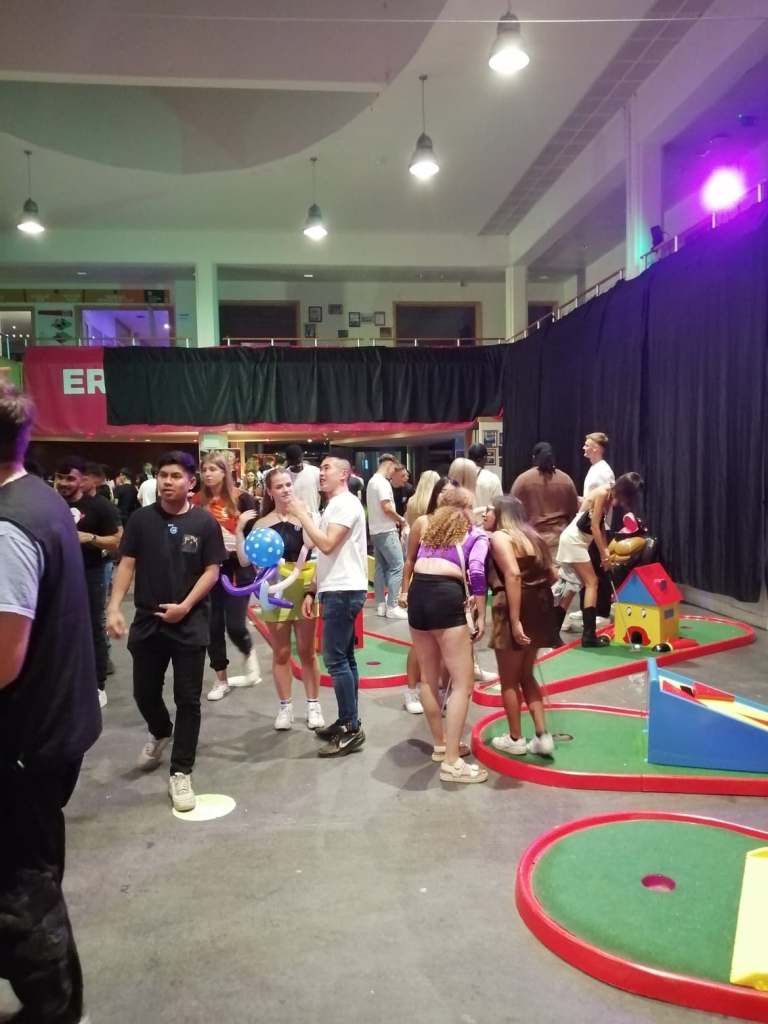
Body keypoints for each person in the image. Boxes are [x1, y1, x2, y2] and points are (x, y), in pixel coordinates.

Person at [0, 383, 101, 1024]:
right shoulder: (40, 499)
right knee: (31, 868)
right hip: (52, 722)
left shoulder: (12, 523)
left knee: (21, 888)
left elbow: (4, 658)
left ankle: (56, 1011)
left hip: (25, 736)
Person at [106, 450, 225, 812]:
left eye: (175, 476)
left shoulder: (204, 522)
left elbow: (212, 571)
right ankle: (160, 730)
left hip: (190, 622)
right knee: (144, 692)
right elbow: (127, 564)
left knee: (188, 699)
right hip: (148, 620)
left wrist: (185, 606)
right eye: (163, 475)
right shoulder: (141, 520)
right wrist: (114, 606)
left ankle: (181, 770)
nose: (167, 482)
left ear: (191, 482)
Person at [399, 486, 489, 784]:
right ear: (467, 509)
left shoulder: (429, 532)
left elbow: (411, 562)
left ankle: (441, 745)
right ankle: (452, 762)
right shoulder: (474, 535)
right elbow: (477, 572)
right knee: (463, 684)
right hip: (446, 598)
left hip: (419, 595)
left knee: (428, 677)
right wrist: (481, 614)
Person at [288, 455, 368, 757]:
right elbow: (318, 548)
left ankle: (350, 727)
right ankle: (348, 720)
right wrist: (312, 589)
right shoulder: (333, 505)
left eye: (327, 468)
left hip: (344, 589)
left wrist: (301, 513)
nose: (321, 473)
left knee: (335, 659)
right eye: (320, 468)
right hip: (337, 587)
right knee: (344, 658)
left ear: (344, 474)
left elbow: (327, 543)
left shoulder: (345, 504)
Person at [241, 467, 324, 730]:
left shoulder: (306, 515)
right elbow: (247, 560)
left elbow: (313, 545)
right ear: (269, 491)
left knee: (307, 651)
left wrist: (303, 513)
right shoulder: (262, 524)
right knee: (282, 652)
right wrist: (240, 530)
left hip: (304, 585)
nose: (286, 490)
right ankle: (285, 707)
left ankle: (313, 705)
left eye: (289, 484)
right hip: (274, 587)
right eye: (279, 486)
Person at [484, 496, 557, 755]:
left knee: (509, 680)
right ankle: (543, 736)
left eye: (489, 510)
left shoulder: (500, 537)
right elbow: (553, 575)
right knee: (526, 674)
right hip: (539, 607)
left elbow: (513, 574)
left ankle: (515, 739)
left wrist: (515, 620)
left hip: (513, 607)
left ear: (501, 514)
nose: (484, 515)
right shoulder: (534, 537)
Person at [192, 453, 262, 701]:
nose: (208, 474)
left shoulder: (243, 498)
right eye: (204, 469)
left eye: (213, 469)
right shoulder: (197, 501)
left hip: (238, 569)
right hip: (208, 570)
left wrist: (239, 530)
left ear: (225, 471)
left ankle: (248, 651)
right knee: (212, 626)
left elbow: (253, 540)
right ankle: (220, 678)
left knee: (235, 625)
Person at [54, 455, 122, 708]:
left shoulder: (99, 507)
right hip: (56, 574)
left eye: (70, 478)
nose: (64, 483)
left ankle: (97, 684)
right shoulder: (50, 504)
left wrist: (89, 538)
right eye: (60, 477)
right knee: (58, 627)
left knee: (94, 626)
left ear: (81, 479)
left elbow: (117, 542)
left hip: (91, 573)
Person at [554, 472, 644, 648]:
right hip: (575, 540)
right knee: (592, 583)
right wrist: (604, 554)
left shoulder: (609, 496)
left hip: (579, 541)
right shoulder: (603, 493)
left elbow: (600, 526)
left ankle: (552, 633)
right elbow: (594, 526)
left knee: (572, 586)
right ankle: (588, 636)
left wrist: (606, 552)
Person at [511, 443, 579, 562]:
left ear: (533, 457)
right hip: (560, 541)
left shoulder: (522, 480)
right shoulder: (566, 479)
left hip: (532, 541)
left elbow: (511, 512)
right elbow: (574, 511)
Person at [366, 453, 408, 620]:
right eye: (393, 468)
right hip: (386, 530)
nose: (393, 473)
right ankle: (392, 605)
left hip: (375, 531)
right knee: (398, 565)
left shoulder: (371, 482)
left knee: (380, 568)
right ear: (389, 464)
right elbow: (386, 508)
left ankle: (381, 605)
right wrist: (401, 519)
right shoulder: (382, 483)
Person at [284, 443, 321, 516]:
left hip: (313, 516)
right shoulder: (284, 476)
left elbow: (323, 494)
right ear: (288, 461)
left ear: (302, 457)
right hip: (292, 518)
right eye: (293, 463)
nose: (297, 466)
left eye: (298, 462)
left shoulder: (315, 471)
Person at [467, 443, 502, 507]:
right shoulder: (493, 478)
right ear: (485, 458)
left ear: (468, 458)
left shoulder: (461, 477)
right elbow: (499, 505)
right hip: (487, 513)